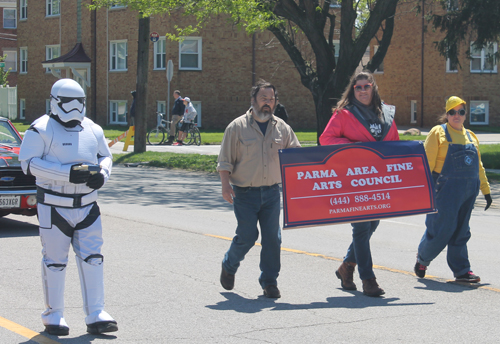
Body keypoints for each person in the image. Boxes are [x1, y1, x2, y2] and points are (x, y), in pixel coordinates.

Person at [19, 79, 118, 336]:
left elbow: (105, 156)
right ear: (55, 102)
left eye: (80, 102)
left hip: (87, 205)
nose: (74, 108)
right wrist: (65, 173)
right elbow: (28, 163)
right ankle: (54, 314)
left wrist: (103, 175)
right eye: (68, 102)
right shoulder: (40, 129)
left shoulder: (92, 129)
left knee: (93, 257)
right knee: (54, 261)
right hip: (54, 205)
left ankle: (96, 312)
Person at [217, 79, 301, 298]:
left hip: (272, 193)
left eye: (271, 99)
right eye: (263, 98)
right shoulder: (236, 127)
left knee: (273, 238)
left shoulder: (282, 128)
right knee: (247, 235)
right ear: (253, 100)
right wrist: (225, 185)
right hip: (245, 193)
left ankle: (269, 282)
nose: (268, 103)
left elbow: (296, 157)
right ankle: (229, 264)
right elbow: (224, 160)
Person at [319, 70, 399, 297]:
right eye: (358, 87)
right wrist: (354, 146)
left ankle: (346, 267)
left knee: (372, 225)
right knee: (362, 228)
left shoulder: (387, 114)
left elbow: (394, 143)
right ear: (352, 90)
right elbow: (326, 139)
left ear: (373, 88)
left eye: (367, 86)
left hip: (378, 181)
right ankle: (368, 279)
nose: (363, 90)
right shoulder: (344, 114)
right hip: (354, 181)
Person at [414, 96, 492, 282]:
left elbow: (478, 166)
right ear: (447, 114)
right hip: (444, 189)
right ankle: (423, 258)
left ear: (465, 114)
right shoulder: (438, 133)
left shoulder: (471, 137)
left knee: (462, 231)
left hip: (468, 191)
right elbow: (426, 163)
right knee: (442, 229)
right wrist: (424, 190)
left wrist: (486, 190)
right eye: (452, 112)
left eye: (461, 112)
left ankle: (462, 271)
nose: (457, 115)